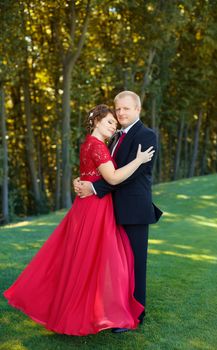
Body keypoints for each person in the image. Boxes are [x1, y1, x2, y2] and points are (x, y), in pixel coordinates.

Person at [3, 104, 155, 336]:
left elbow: (91, 173)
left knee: (86, 259)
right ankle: (91, 311)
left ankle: (91, 307)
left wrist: (85, 182)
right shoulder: (99, 146)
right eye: (109, 121)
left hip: (90, 205)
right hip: (96, 208)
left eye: (114, 123)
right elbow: (113, 178)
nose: (113, 126)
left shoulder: (90, 144)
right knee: (97, 260)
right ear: (96, 122)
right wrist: (139, 159)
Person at [73, 91, 163, 332]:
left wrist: (93, 188)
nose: (121, 113)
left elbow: (131, 175)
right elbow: (104, 170)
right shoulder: (114, 137)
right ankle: (115, 311)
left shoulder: (146, 135)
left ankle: (136, 314)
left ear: (137, 110)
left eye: (126, 108)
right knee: (117, 265)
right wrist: (84, 180)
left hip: (134, 209)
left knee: (134, 263)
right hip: (111, 209)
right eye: (118, 109)